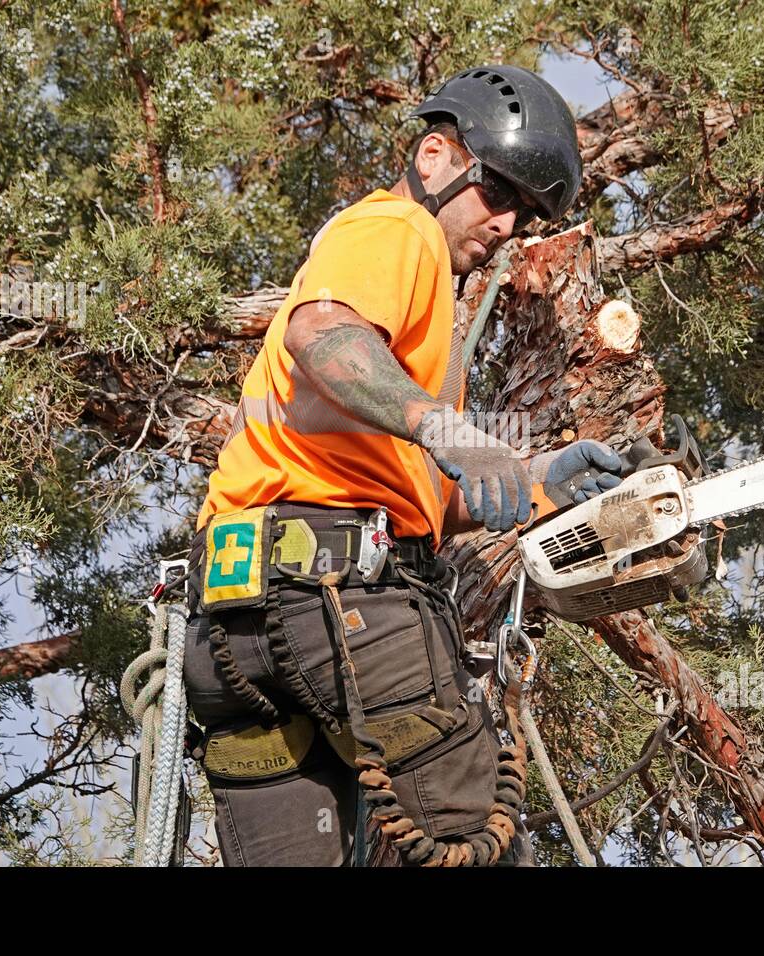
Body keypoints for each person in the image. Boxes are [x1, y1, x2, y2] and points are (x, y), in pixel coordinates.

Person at [181, 64, 623, 866]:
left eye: (523, 215)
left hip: (233, 638)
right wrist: (445, 426)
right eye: (499, 193)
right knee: (473, 848)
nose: (505, 226)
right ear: (435, 156)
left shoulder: (402, 340)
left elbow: (398, 485)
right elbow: (321, 333)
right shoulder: (397, 230)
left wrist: (535, 480)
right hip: (339, 614)